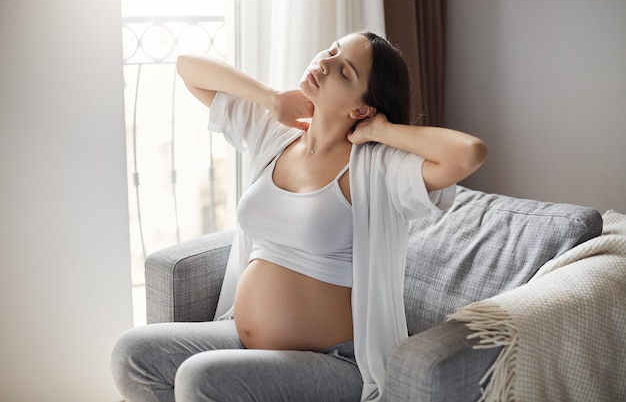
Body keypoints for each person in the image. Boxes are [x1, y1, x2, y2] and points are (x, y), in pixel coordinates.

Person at [111, 31, 487, 402]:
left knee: (200, 378)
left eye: (344, 71)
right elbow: (188, 67)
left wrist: (383, 130)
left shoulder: (377, 169)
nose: (324, 63)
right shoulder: (275, 136)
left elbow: (468, 153)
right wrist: (271, 98)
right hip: (245, 344)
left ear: (362, 108)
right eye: (331, 50)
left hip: (331, 362)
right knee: (133, 353)